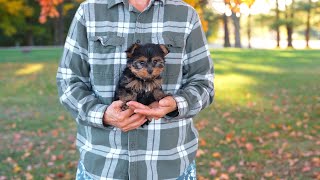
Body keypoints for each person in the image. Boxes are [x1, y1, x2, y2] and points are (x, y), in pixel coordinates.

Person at [56, 0, 214, 179]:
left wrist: (176, 104)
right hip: (103, 165)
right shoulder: (89, 11)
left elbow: (203, 82)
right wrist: (102, 114)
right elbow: (68, 82)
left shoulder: (186, 14)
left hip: (171, 165)